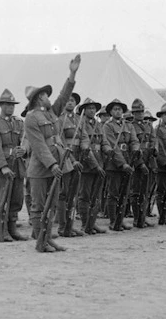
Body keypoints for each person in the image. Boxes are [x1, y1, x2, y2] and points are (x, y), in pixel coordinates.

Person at [24, 53, 82, 253]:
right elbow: (39, 146)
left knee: (53, 205)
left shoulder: (50, 112)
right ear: (40, 97)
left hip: (55, 165)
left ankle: (48, 239)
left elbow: (64, 96)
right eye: (46, 95)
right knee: (39, 206)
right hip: (41, 168)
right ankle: (40, 242)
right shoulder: (31, 118)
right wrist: (53, 164)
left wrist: (72, 74)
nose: (50, 97)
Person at [0, 89, 28, 242]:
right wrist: (3, 166)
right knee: (2, 199)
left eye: (12, 104)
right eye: (7, 104)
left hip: (17, 166)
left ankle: (12, 228)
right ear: (1, 105)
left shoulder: (19, 122)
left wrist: (24, 149)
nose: (11, 107)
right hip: (3, 168)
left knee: (17, 199)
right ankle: (2, 230)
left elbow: (25, 140)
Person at [76, 97, 112, 235]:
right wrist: (95, 165)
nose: (91, 110)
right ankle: (85, 224)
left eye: (93, 108)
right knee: (84, 195)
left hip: (99, 163)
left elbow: (104, 141)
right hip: (87, 164)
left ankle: (92, 223)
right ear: (83, 111)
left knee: (95, 195)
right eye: (88, 108)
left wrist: (108, 150)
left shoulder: (98, 125)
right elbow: (84, 146)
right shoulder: (80, 124)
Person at [103, 98, 138, 231]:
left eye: (120, 109)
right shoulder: (108, 126)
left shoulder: (129, 125)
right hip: (114, 163)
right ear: (111, 112)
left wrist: (135, 150)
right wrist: (122, 164)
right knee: (114, 193)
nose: (118, 112)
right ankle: (113, 221)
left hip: (128, 160)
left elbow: (134, 140)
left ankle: (120, 219)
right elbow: (113, 146)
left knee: (124, 193)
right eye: (115, 109)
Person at [55, 92, 87, 237]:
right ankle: (62, 226)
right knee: (64, 194)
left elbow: (85, 137)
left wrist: (86, 147)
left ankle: (70, 225)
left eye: (73, 101)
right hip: (66, 159)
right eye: (67, 100)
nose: (70, 103)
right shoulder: (59, 120)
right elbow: (60, 142)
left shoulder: (80, 120)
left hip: (79, 158)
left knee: (74, 194)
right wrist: (73, 160)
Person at [130, 100, 156, 228]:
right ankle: (136, 218)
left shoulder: (148, 125)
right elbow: (132, 146)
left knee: (145, 191)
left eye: (141, 111)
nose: (140, 114)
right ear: (133, 113)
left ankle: (143, 217)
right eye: (137, 112)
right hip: (137, 161)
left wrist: (153, 149)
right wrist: (140, 163)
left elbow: (153, 140)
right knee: (136, 191)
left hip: (148, 159)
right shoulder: (130, 126)